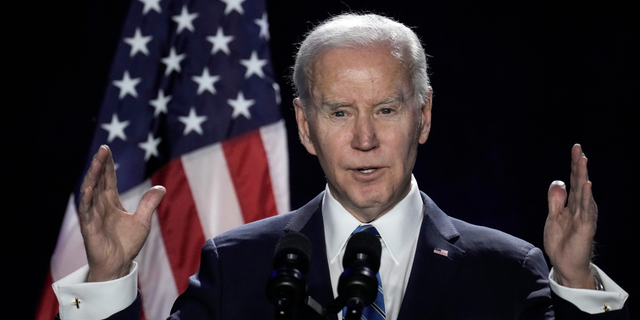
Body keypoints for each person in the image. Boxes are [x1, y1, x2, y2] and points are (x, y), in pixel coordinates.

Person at [53, 13, 629, 319]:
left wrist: (575, 282)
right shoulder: (237, 269)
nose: (364, 139)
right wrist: (106, 279)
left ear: (423, 117)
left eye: (385, 109)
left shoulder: (507, 272)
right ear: (305, 126)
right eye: (338, 113)